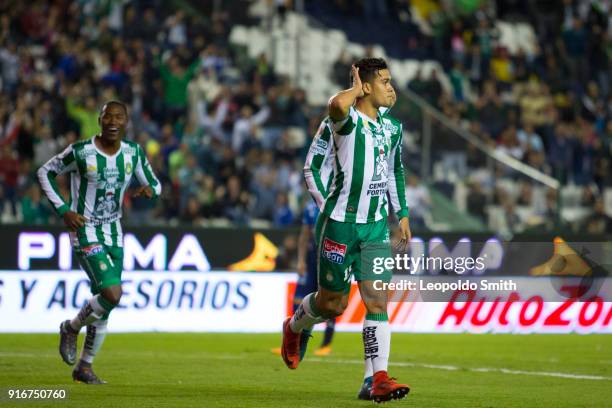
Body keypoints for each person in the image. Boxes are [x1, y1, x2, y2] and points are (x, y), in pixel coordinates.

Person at [281, 58, 411, 403]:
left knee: (377, 299)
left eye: (390, 80)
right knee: (332, 304)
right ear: (366, 86)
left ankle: (376, 379)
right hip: (339, 224)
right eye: (384, 81)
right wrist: (329, 206)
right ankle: (295, 326)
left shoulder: (393, 128)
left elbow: (395, 171)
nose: (391, 87)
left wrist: (402, 214)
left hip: (375, 227)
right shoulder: (344, 122)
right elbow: (334, 112)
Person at [37, 101, 161, 384]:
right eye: (108, 116)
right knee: (112, 294)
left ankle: (84, 367)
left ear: (127, 122)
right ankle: (70, 327)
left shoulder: (133, 153)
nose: (113, 121)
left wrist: (149, 190)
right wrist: (63, 209)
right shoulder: (81, 152)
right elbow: (44, 172)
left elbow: (156, 184)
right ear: (100, 120)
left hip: (114, 232)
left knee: (104, 302)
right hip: (85, 229)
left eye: (119, 117)